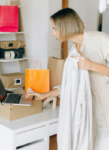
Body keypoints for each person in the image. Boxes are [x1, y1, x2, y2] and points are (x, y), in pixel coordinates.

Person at [25, 8, 109, 150]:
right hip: (90, 117)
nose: (53, 33)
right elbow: (69, 87)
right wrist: (45, 95)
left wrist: (92, 65)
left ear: (64, 27)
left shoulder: (100, 40)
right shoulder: (73, 52)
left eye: (54, 29)